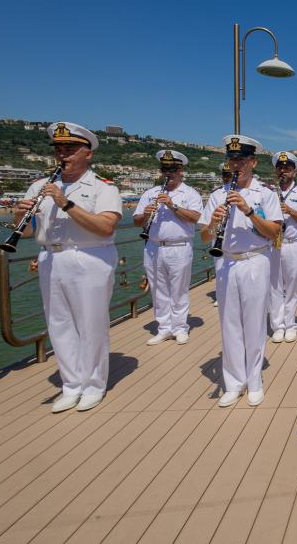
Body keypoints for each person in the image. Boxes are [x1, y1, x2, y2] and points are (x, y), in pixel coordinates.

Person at [12, 122, 122, 413]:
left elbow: (106, 227)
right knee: (59, 325)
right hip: (51, 257)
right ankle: (71, 385)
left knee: (91, 325)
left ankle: (93, 385)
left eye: (70, 149)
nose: (63, 154)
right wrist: (18, 216)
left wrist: (66, 203)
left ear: (88, 154)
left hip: (89, 257)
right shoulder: (39, 186)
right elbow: (25, 232)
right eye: (59, 149)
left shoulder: (103, 187)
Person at [199, 135, 282, 408]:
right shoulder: (216, 195)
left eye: (241, 160)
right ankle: (233, 382)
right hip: (226, 262)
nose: (236, 165)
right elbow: (204, 237)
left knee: (255, 323)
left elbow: (274, 232)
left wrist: (248, 211)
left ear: (253, 162)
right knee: (230, 324)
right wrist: (212, 222)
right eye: (232, 160)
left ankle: (255, 381)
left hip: (255, 260)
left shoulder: (266, 194)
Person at [133, 149, 202, 345]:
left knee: (179, 290)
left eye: (172, 169)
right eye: (165, 169)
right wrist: (145, 214)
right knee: (158, 290)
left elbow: (196, 218)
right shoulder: (150, 193)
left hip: (179, 247)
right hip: (153, 247)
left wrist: (173, 206)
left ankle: (180, 327)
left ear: (181, 171)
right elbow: (138, 221)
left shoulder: (190, 193)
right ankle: (164, 328)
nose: (168, 173)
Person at [268, 151, 297, 342]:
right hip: (273, 244)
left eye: (287, 168)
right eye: (280, 167)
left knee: (293, 286)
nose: (283, 171)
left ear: (294, 172)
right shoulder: (269, 192)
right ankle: (278, 325)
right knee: (274, 287)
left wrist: (291, 211)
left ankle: (290, 324)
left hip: (293, 244)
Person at [200, 163, 234, 307]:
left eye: (229, 175)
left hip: (239, 243)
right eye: (224, 175)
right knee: (220, 275)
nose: (226, 178)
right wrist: (214, 228)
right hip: (219, 241)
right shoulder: (216, 195)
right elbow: (206, 228)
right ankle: (221, 297)